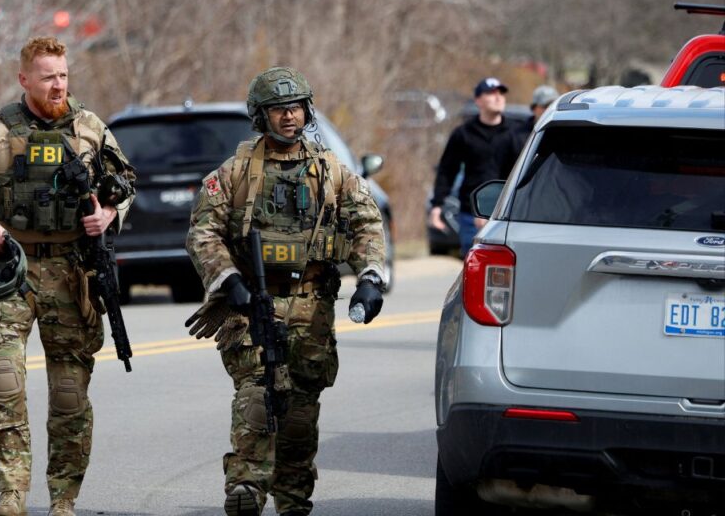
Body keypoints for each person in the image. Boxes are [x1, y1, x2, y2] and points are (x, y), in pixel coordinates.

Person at [0, 36, 135, 516]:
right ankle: (11, 491)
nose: (58, 85)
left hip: (72, 271)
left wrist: (109, 213)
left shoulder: (90, 129)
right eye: (48, 76)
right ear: (24, 79)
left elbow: (126, 182)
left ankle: (63, 499)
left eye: (64, 75)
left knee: (69, 392)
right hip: (13, 268)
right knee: (5, 377)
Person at [186, 67, 387, 516]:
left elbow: (366, 224)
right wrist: (227, 279)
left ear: (307, 110)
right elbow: (203, 232)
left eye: (295, 107)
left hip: (311, 305)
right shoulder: (234, 173)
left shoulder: (331, 172)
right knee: (257, 393)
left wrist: (370, 278)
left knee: (299, 411)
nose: (289, 117)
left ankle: (294, 500)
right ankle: (246, 488)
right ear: (261, 117)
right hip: (252, 304)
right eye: (278, 109)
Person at [429, 77, 512, 258]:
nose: (498, 97)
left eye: (501, 93)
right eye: (491, 93)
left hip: (508, 216)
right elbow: (447, 170)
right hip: (470, 216)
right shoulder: (463, 134)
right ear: (478, 100)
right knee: (473, 267)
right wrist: (437, 206)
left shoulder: (515, 134)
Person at [497, 84, 559, 178]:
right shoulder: (515, 136)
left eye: (555, 105)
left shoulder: (565, 134)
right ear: (534, 108)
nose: (551, 109)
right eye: (546, 105)